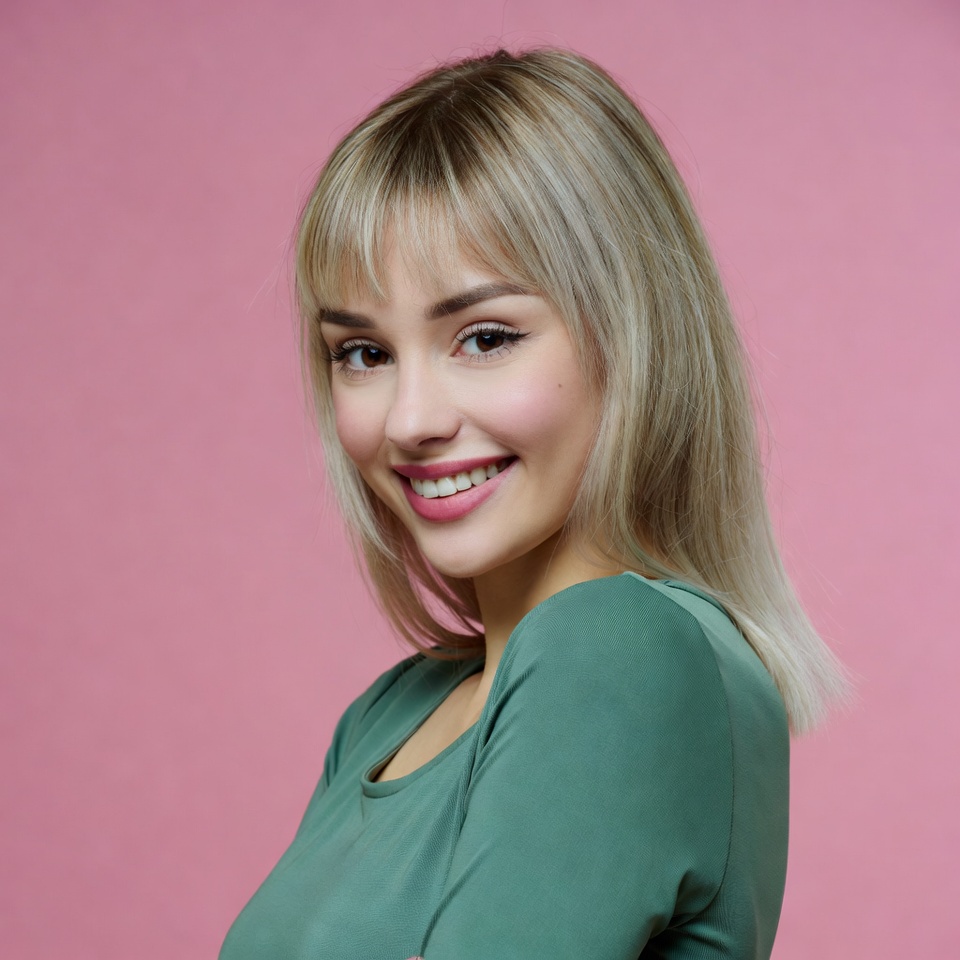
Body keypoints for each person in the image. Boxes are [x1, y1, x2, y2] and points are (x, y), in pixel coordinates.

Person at [219, 48, 846, 959]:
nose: (411, 420)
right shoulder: (390, 715)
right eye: (363, 352)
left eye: (484, 337)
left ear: (631, 336)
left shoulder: (622, 651)